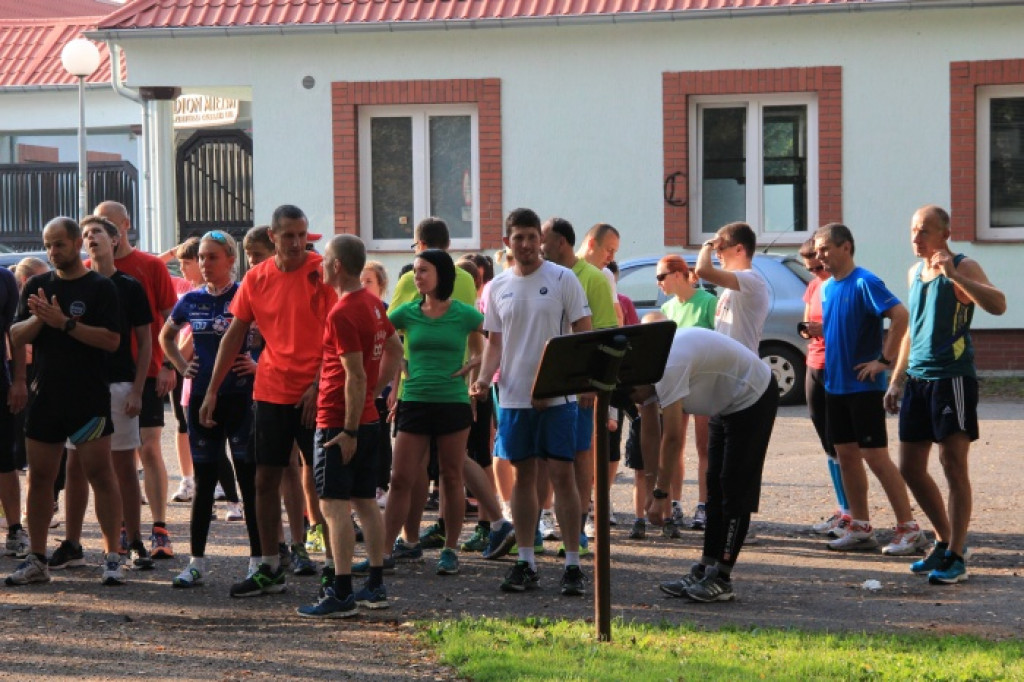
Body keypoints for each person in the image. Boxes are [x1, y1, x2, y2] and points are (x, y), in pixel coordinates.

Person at [200, 205, 336, 597]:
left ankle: (333, 568)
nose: (296, 243)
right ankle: (268, 567)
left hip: (317, 392)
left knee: (325, 484)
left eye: (302, 235)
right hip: (271, 389)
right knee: (264, 479)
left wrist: (316, 383)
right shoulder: (257, 278)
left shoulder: (321, 272)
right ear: (272, 237)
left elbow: (335, 334)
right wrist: (212, 388)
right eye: (288, 235)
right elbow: (233, 335)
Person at [469, 208, 592, 596]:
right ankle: (526, 561)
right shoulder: (498, 287)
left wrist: (561, 384)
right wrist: (484, 377)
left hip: (557, 398)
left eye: (530, 237)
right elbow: (495, 344)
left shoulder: (562, 278)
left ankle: (572, 564)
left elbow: (581, 336)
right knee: (522, 477)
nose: (524, 244)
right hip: (515, 399)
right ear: (507, 243)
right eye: (517, 238)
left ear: (541, 241)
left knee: (561, 475)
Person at [885, 205, 1006, 584]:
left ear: (945, 234)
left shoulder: (962, 266)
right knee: (910, 467)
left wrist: (954, 275)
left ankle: (956, 556)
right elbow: (910, 332)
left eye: (924, 231)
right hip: (918, 380)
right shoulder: (913, 272)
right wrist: (896, 378)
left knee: (953, 466)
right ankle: (944, 540)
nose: (915, 238)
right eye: (912, 230)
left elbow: (999, 305)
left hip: (952, 378)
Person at [6, 217, 123, 587]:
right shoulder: (37, 286)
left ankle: (113, 558)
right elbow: (15, 334)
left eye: (60, 244)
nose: (54, 251)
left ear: (76, 244)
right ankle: (37, 558)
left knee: (100, 475)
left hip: (88, 399)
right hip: (45, 398)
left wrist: (64, 323)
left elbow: (111, 341)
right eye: (48, 244)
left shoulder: (100, 288)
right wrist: (42, 320)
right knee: (40, 478)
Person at [297, 234, 402, 617]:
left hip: (340, 423)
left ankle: (341, 593)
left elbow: (354, 376)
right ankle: (374, 584)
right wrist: (374, 395)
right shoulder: (373, 303)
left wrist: (351, 428)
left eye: (324, 259)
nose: (321, 265)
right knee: (364, 502)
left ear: (337, 265)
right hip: (365, 419)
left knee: (334, 507)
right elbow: (395, 351)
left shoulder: (343, 311)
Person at [634, 324, 778, 603]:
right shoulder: (645, 370)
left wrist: (662, 495)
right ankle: (705, 567)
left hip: (753, 395)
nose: (637, 403)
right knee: (714, 486)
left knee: (734, 487)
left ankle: (722, 577)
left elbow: (673, 438)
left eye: (634, 397)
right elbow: (650, 431)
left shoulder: (666, 369)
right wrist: (651, 489)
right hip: (726, 404)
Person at [50, 216, 155, 575]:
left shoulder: (128, 286)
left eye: (98, 232)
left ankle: (134, 539)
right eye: (85, 234)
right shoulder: (75, 283)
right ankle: (73, 543)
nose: (91, 238)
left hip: (119, 385)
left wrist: (139, 389)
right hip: (79, 387)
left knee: (124, 467)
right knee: (75, 466)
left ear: (116, 239)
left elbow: (145, 343)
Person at [373, 249, 484, 578]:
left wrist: (475, 370)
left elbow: (489, 344)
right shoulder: (407, 312)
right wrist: (400, 363)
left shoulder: (464, 314)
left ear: (441, 275)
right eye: (415, 271)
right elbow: (378, 336)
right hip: (415, 401)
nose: (416, 276)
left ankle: (450, 550)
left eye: (423, 271)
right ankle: (384, 552)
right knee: (400, 477)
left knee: (452, 477)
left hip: (452, 402)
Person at [160, 230, 262, 588]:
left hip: (241, 399)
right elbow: (165, 336)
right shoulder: (192, 299)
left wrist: (259, 363)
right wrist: (177, 364)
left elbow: (272, 337)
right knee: (203, 481)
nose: (204, 264)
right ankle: (196, 563)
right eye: (201, 257)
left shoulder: (245, 295)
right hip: (201, 399)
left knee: (250, 481)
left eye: (212, 257)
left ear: (231, 260)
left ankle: (258, 561)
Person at [813, 222, 923, 555]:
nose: (820, 257)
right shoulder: (829, 287)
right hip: (835, 386)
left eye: (825, 249)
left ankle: (909, 528)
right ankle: (859, 527)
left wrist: (884, 360)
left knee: (875, 457)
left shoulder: (866, 281)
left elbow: (900, 315)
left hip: (863, 387)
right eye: (817, 251)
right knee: (845, 455)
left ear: (845, 247)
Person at [94, 200, 177, 560]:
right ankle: (125, 527)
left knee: (150, 447)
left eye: (109, 225)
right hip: (105, 379)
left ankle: (159, 527)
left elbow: (170, 318)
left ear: (125, 225)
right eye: (96, 228)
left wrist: (171, 365)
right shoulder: (89, 271)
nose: (104, 234)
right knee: (114, 458)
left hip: (149, 371)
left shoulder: (150, 266)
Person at [540, 217, 615, 554]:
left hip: (581, 385)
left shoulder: (594, 279)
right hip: (550, 382)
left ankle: (581, 524)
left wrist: (591, 383)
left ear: (560, 242)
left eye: (543, 240)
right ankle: (544, 521)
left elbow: (607, 335)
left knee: (582, 452)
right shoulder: (546, 275)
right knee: (545, 454)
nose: (538, 247)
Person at [657, 254, 716, 534]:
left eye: (661, 277)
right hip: (676, 385)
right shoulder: (667, 308)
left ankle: (704, 504)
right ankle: (676, 502)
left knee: (704, 446)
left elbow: (719, 342)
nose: (658, 283)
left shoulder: (707, 302)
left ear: (679, 274)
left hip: (703, 383)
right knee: (674, 443)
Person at [798, 238, 849, 537]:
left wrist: (825, 328)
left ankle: (853, 511)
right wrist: (807, 328)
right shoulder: (815, 286)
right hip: (814, 363)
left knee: (844, 443)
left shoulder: (842, 284)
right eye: (811, 269)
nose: (817, 273)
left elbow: (850, 323)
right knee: (827, 442)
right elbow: (808, 317)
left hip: (837, 364)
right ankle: (843, 508)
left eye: (819, 267)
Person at [694, 222, 769, 354]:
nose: (717, 254)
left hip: (741, 367)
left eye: (720, 248)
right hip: (728, 365)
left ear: (739, 249)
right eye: (716, 249)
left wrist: (708, 245)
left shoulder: (751, 279)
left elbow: (702, 270)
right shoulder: (734, 285)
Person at [0, 263, 27, 559]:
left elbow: (16, 333)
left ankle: (15, 529)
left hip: (1, 382)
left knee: (5, 460)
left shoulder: (4, 278)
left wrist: (19, 380)